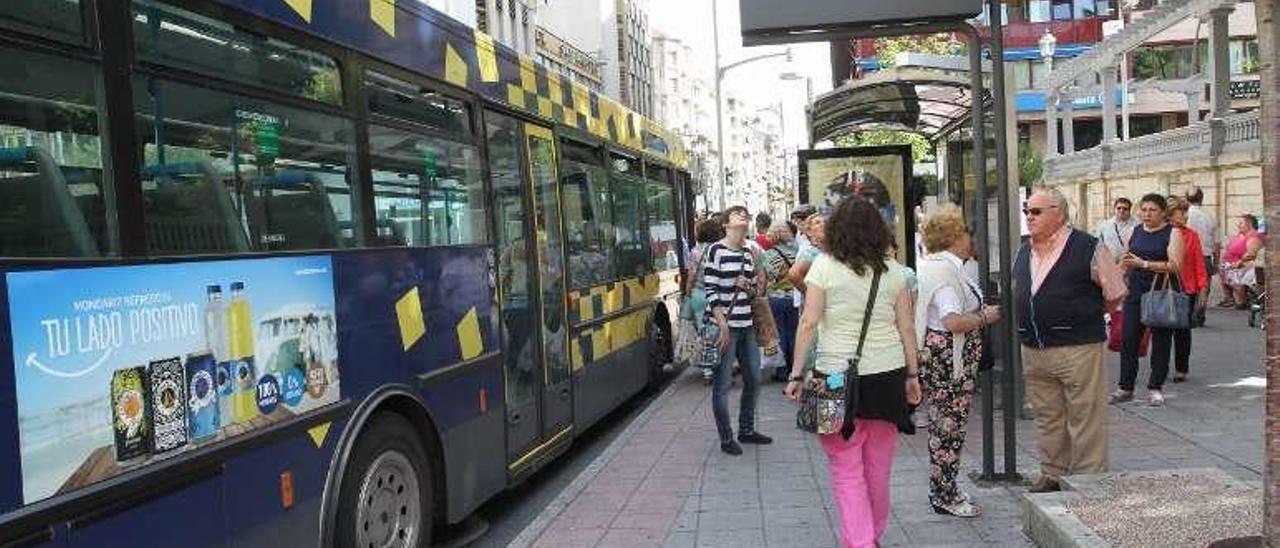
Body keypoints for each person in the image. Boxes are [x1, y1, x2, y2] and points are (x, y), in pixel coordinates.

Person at [783, 197, 921, 548]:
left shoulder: (824, 267)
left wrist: (796, 374)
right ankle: (869, 536)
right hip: (887, 375)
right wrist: (913, 376)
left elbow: (809, 322)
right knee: (878, 467)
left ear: (835, 230)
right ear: (878, 230)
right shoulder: (895, 272)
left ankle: (859, 542)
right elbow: (907, 327)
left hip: (833, 377)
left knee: (845, 468)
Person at [1016, 188, 1127, 493]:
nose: (1029, 217)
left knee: (1085, 415)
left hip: (1078, 348)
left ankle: (1088, 480)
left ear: (1059, 213)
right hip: (1034, 349)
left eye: (1036, 211)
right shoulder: (1023, 250)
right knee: (1047, 416)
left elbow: (1115, 292)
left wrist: (1084, 315)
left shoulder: (1088, 247)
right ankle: (1052, 473)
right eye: (1027, 210)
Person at [914, 204, 1000, 518]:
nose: (969, 237)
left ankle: (945, 487)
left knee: (946, 426)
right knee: (948, 428)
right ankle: (944, 494)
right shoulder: (945, 272)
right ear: (952, 236)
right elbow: (951, 321)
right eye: (964, 231)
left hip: (944, 359)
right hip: (949, 361)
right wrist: (984, 316)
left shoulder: (940, 266)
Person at [704, 206, 772, 455]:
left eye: (746, 214)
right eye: (737, 214)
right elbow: (710, 289)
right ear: (726, 223)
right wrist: (721, 322)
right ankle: (726, 437)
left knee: (754, 379)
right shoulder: (716, 250)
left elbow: (754, 291)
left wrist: (751, 284)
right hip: (726, 327)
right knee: (722, 384)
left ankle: (746, 430)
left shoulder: (747, 252)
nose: (744, 217)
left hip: (747, 325)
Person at [1112, 194, 1184, 407]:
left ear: (1163, 212)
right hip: (1135, 292)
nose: (1147, 214)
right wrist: (1116, 278)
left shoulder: (1173, 233)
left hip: (1161, 291)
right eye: (1143, 210)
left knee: (1161, 341)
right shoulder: (1135, 231)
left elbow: (1175, 265)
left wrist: (1143, 264)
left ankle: (1155, 387)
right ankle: (1125, 387)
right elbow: (1125, 259)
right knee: (1129, 340)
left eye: (1152, 210)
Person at [1166, 196, 1208, 383]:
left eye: (1185, 212)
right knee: (1162, 329)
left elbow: (1199, 263)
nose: (1185, 215)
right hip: (1164, 286)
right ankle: (1159, 365)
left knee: (1182, 330)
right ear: (1170, 214)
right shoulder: (1161, 233)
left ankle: (1181, 368)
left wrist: (1203, 289)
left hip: (1186, 288)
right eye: (1181, 212)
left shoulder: (1191, 235)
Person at [686, 218, 726, 382]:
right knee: (722, 329)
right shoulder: (722, 249)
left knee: (704, 332)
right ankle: (724, 365)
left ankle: (708, 370)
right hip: (719, 294)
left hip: (700, 295)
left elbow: (691, 276)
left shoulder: (696, 251)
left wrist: (688, 292)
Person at [763, 222, 799, 382]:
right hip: (795, 298)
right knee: (793, 332)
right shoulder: (797, 252)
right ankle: (794, 367)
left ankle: (782, 370)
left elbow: (766, 277)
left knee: (780, 334)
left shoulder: (769, 255)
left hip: (776, 299)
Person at [1184, 187, 1218, 326]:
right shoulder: (1209, 216)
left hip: (1188, 255)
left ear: (1186, 199)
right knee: (1204, 287)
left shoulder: (1185, 215)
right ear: (1202, 199)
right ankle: (1199, 315)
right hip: (1205, 255)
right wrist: (1217, 262)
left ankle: (1188, 314)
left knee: (1188, 285)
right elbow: (1216, 242)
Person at [1219, 214, 1265, 309]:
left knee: (1238, 283)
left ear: (1249, 224)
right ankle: (1235, 300)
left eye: (1241, 223)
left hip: (1240, 267)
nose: (1238, 225)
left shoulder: (1254, 236)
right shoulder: (1241, 235)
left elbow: (1251, 254)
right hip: (1232, 267)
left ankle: (1242, 302)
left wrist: (1240, 262)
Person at [1093, 197, 1139, 262]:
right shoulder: (1104, 226)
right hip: (1111, 264)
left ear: (1129, 210)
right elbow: (1097, 244)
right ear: (1114, 209)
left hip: (1132, 264)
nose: (1121, 211)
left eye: (1125, 209)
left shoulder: (1138, 225)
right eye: (1119, 208)